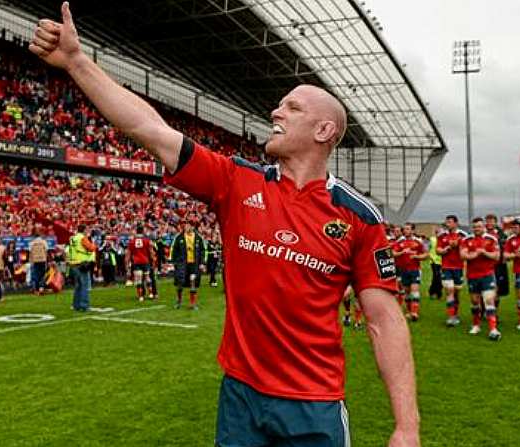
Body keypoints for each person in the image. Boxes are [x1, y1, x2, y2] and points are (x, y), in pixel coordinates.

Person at [29, 5, 419, 445]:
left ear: (324, 129)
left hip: (314, 406)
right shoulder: (235, 181)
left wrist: (406, 426)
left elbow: (385, 321)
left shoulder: (358, 216)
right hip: (240, 399)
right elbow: (149, 129)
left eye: (292, 107)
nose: (276, 111)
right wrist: (78, 62)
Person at [460, 218, 501, 341]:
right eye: (475, 227)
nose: (477, 229)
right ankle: (476, 325)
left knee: (489, 300)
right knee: (474, 302)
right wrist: (475, 255)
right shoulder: (467, 239)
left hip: (487, 274)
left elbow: (496, 256)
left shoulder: (491, 239)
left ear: (483, 226)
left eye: (479, 226)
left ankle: (493, 329)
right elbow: (463, 255)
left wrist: (483, 252)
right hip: (472, 275)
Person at [437, 215, 468, 326]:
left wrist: (458, 245)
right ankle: (451, 317)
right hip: (446, 267)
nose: (447, 224)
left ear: (456, 223)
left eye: (449, 222)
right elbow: (438, 250)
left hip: (459, 268)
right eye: (447, 222)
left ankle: (456, 313)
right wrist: (446, 249)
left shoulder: (463, 235)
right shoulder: (442, 235)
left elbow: (467, 250)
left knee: (457, 293)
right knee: (449, 291)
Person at [392, 223, 427, 321]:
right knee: (407, 292)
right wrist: (402, 252)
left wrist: (416, 257)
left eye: (408, 229)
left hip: (415, 270)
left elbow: (425, 255)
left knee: (414, 290)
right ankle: (408, 311)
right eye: (405, 229)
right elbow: (393, 253)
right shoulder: (400, 242)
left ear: (412, 231)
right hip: (403, 270)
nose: (405, 231)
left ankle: (414, 312)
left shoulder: (418, 242)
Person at [170, 220, 206, 309]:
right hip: (182, 264)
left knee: (193, 281)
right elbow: (174, 250)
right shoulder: (179, 237)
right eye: (185, 226)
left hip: (194, 264)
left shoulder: (198, 238)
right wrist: (174, 263)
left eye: (188, 226)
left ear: (192, 227)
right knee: (180, 283)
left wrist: (202, 263)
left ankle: (193, 304)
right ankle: (179, 301)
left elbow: (203, 251)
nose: (186, 227)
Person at [68, 223, 97, 311]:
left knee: (78, 285)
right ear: (84, 230)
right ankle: (84, 305)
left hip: (73, 262)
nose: (87, 231)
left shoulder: (73, 238)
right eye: (87, 229)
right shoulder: (82, 238)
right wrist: (94, 243)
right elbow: (91, 248)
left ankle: (76, 305)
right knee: (84, 285)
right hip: (82, 263)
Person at [485, 214, 509, 306]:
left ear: (495, 222)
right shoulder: (482, 233)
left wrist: (505, 257)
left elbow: (506, 247)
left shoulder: (501, 234)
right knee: (486, 288)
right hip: (485, 265)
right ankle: (485, 309)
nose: (489, 223)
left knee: (498, 288)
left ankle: (494, 310)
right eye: (487, 221)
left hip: (499, 265)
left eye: (491, 221)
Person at [127, 225, 154, 301]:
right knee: (147, 278)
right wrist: (153, 260)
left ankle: (140, 296)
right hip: (145, 261)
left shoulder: (132, 241)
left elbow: (128, 254)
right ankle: (151, 294)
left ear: (136, 231)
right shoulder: (147, 240)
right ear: (142, 231)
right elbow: (151, 252)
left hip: (136, 262)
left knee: (138, 279)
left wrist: (127, 264)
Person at [29, 226, 49, 295]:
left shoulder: (31, 243)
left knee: (35, 275)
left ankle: (35, 289)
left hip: (35, 260)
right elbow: (46, 252)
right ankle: (41, 288)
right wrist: (47, 261)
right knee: (42, 275)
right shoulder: (44, 242)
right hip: (43, 260)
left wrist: (31, 261)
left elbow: (30, 253)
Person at [427, 226, 443, 300]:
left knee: (437, 278)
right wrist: (430, 256)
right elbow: (428, 249)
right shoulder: (432, 239)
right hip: (434, 261)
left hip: (442, 261)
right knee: (437, 277)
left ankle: (433, 291)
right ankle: (437, 293)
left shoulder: (443, 240)